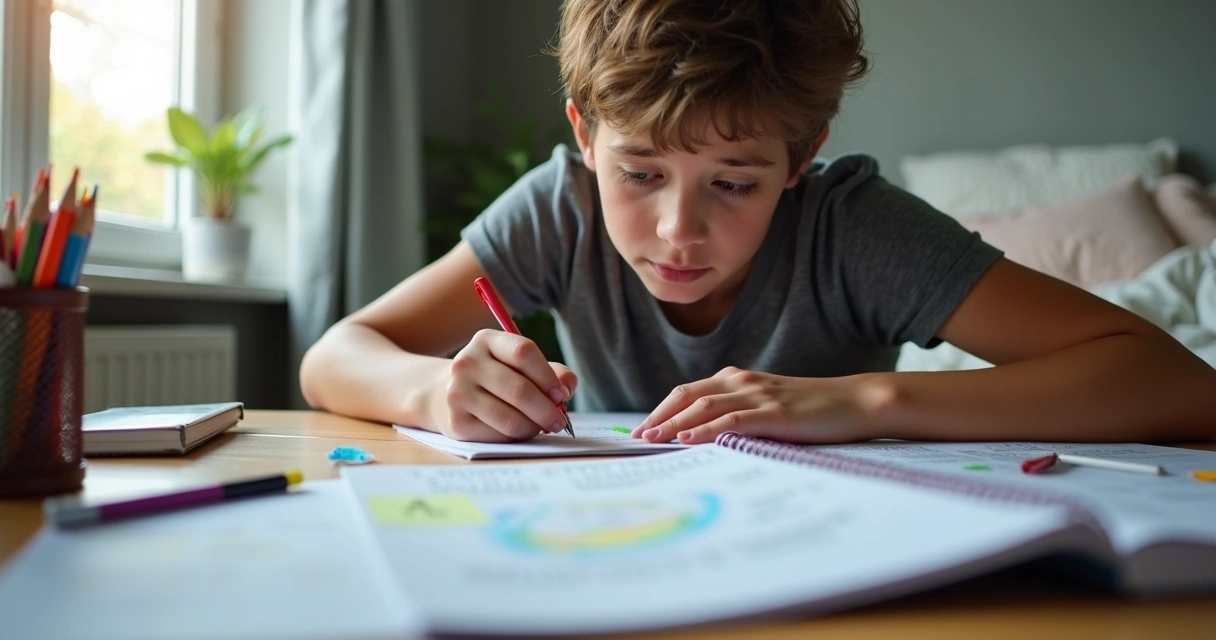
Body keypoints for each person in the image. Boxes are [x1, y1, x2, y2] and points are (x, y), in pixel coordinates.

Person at [300, 0, 1216, 445]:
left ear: (801, 158)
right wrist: (433, 393)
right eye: (641, 172)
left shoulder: (852, 230)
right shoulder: (561, 207)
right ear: (584, 135)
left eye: (734, 183)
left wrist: (865, 400)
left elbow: (1181, 388)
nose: (675, 231)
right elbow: (335, 355)